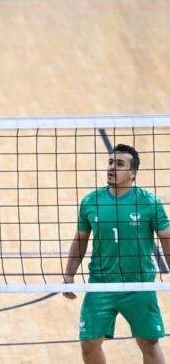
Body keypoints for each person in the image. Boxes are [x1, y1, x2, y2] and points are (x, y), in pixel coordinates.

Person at [63, 144, 170, 364]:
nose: (112, 167)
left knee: (149, 343)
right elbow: (80, 240)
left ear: (133, 173)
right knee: (89, 343)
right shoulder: (91, 201)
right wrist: (69, 274)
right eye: (111, 162)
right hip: (101, 284)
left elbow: (167, 239)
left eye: (119, 164)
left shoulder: (150, 203)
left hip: (139, 285)